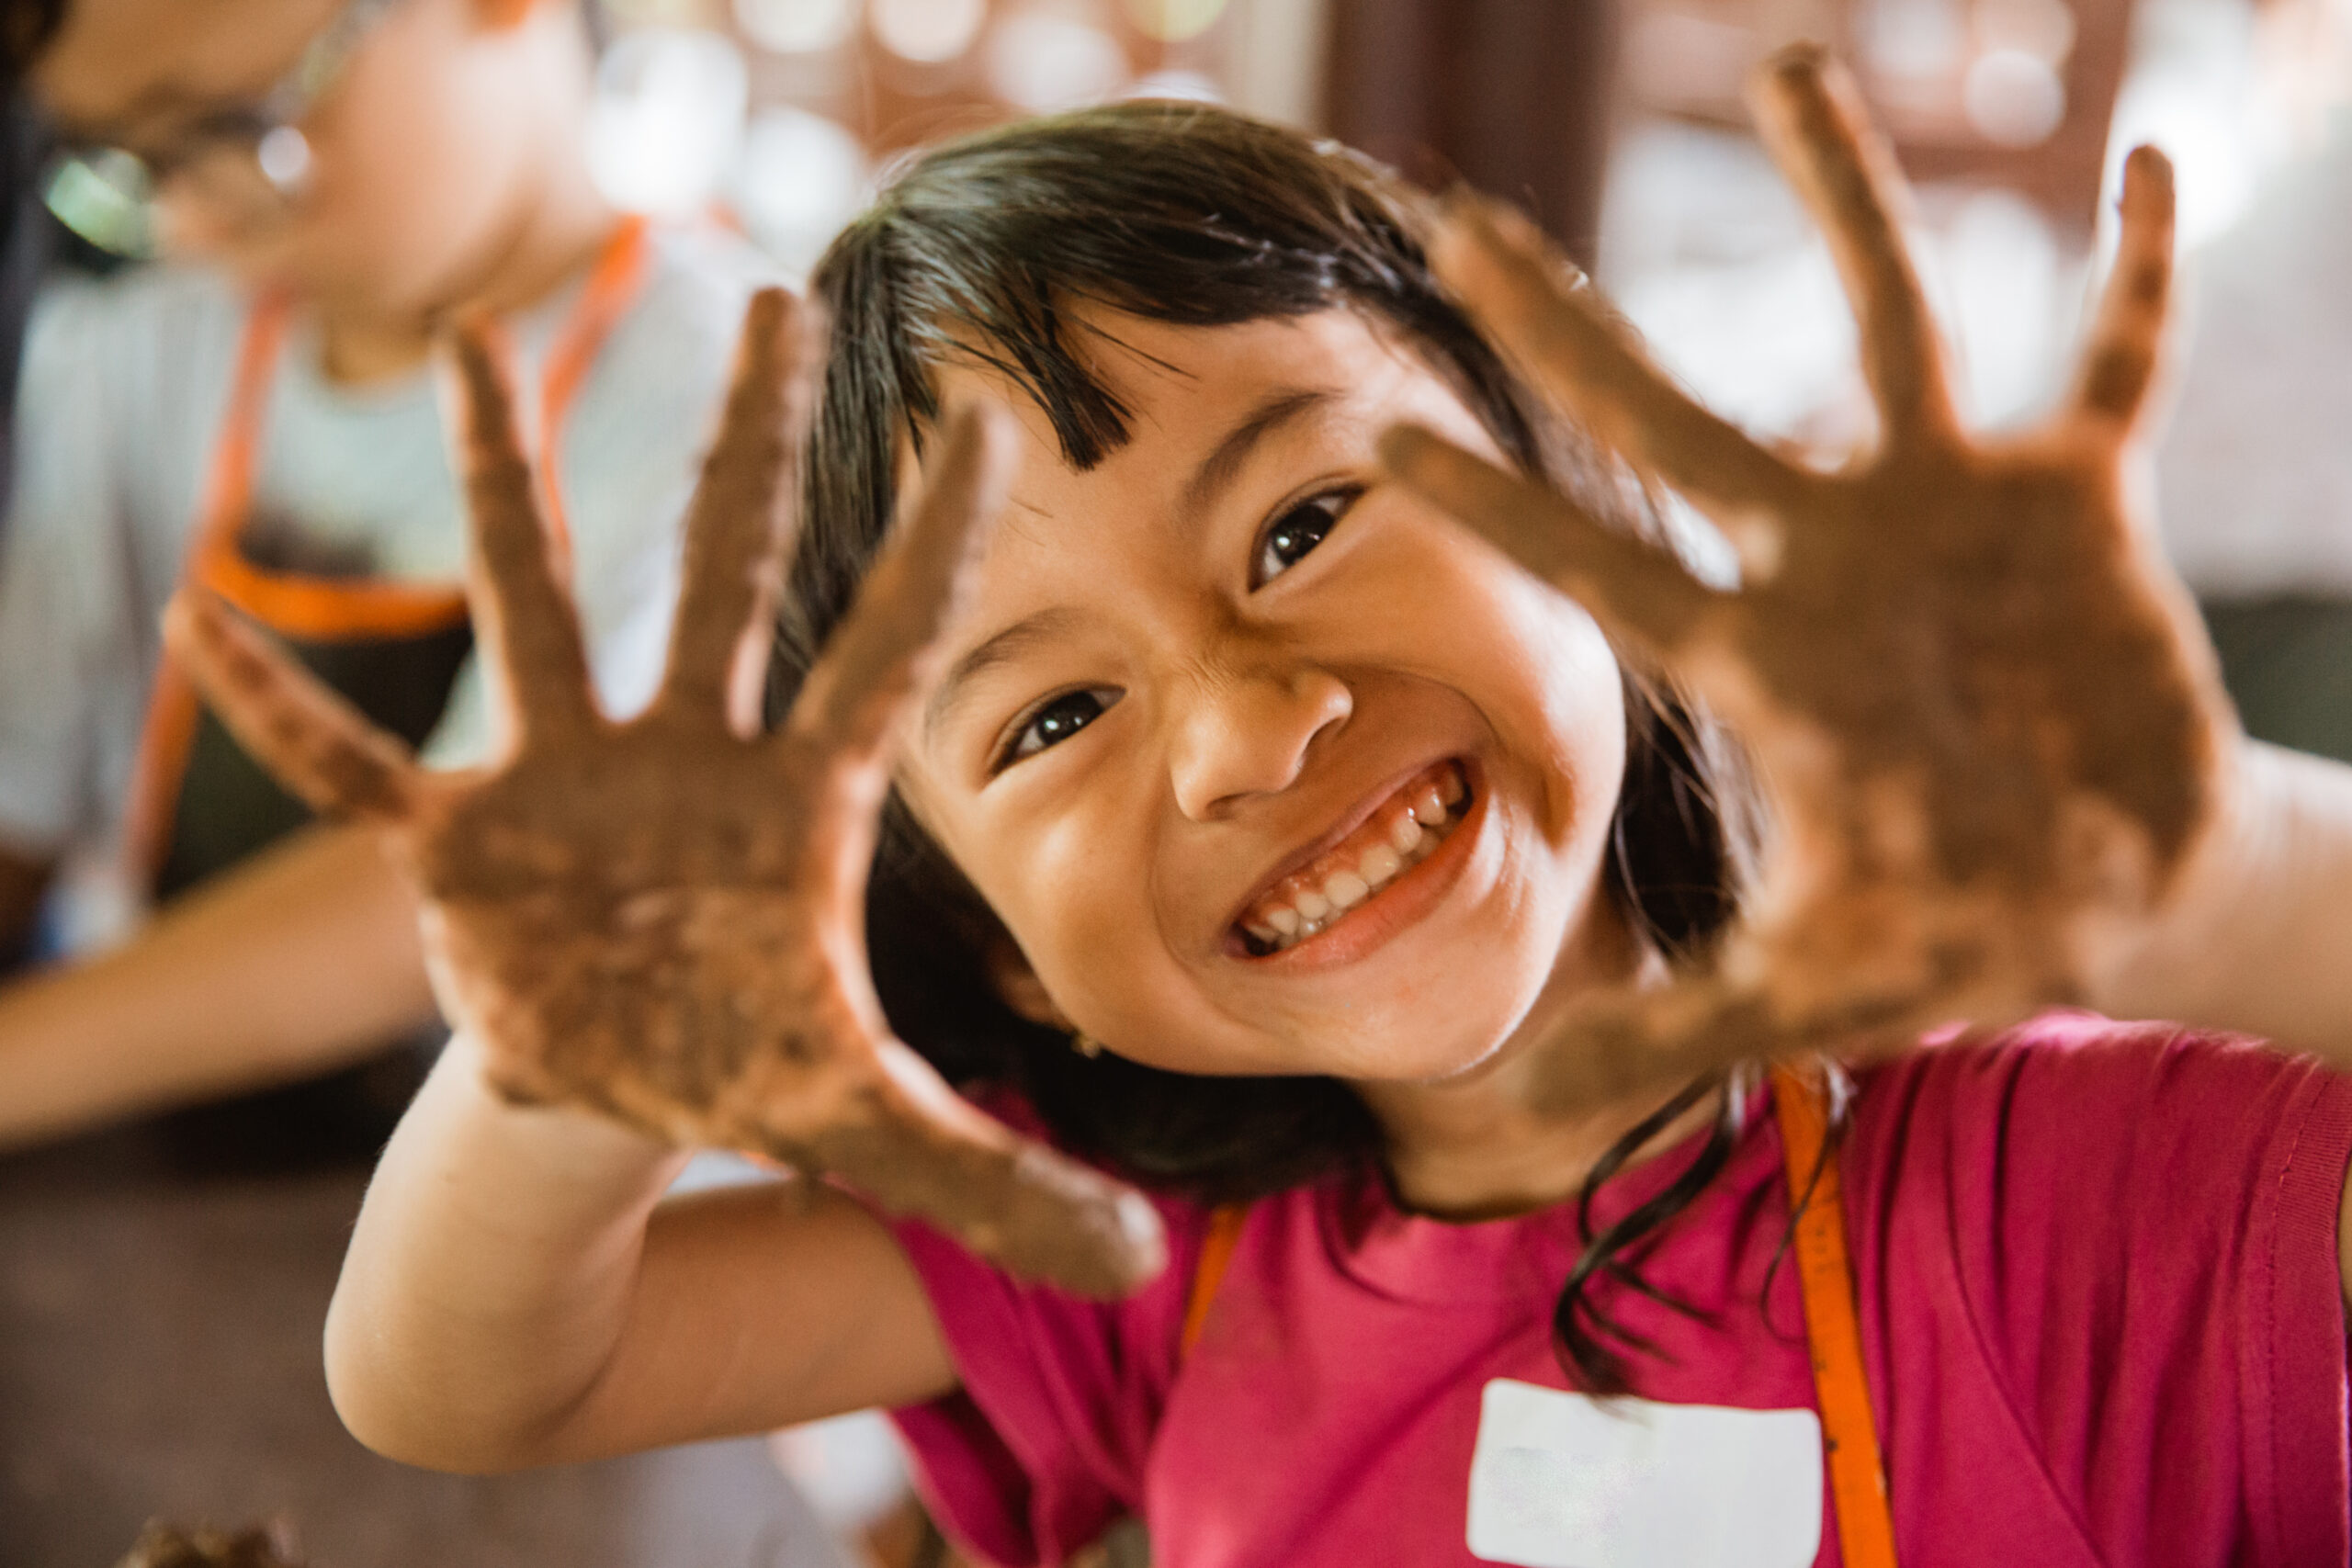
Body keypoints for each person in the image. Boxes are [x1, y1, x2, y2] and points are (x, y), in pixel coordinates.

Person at [173, 54, 2352, 1567]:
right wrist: (557, 1079)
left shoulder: (2049, 1196)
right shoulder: (1133, 1255)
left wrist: (2216, 874)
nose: (1240, 724)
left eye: (1305, 519)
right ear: (1003, 950)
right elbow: (460, 1385)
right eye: (1050, 717)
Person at [0, 0, 770, 1156]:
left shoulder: (734, 388)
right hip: (165, 1161)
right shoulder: (137, 356)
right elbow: (17, 794)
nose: (191, 225)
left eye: (236, 127)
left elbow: (482, 878)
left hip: (512, 1204)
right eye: (125, 164)